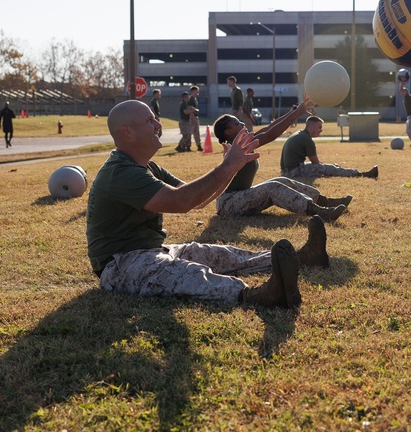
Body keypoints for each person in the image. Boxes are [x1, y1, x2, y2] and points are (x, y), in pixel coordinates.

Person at [86, 99, 326, 308]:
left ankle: (304, 257)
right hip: (119, 266)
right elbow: (182, 201)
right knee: (185, 274)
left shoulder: (146, 167)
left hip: (152, 251)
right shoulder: (119, 173)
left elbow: (196, 199)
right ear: (127, 132)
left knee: (220, 255)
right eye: (150, 121)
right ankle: (256, 296)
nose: (158, 125)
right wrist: (228, 166)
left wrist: (232, 166)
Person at [213, 95, 352, 229]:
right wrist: (297, 113)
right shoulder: (235, 149)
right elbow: (270, 135)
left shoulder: (242, 143)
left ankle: (324, 201)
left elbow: (268, 128)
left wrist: (295, 112)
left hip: (239, 198)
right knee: (272, 187)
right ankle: (318, 211)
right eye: (237, 123)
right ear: (228, 132)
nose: (242, 123)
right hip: (228, 204)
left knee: (282, 180)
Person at [280, 116, 378, 179]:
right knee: (331, 169)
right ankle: (361, 174)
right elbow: (316, 164)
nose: (321, 130)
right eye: (319, 127)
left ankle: (339, 169)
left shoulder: (300, 134)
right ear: (312, 127)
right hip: (293, 173)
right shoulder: (307, 140)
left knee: (330, 167)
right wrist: (329, 168)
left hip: (287, 171)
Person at [397, 69, 411, 148]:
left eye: (404, 91)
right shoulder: (407, 96)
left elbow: (401, 89)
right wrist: (402, 81)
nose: (402, 92)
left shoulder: (407, 95)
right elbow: (401, 90)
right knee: (408, 130)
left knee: (409, 130)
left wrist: (402, 82)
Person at [189, 85, 202, 151]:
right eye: (197, 91)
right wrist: (193, 118)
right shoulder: (191, 99)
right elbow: (191, 109)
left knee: (197, 132)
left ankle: (199, 145)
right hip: (193, 117)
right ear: (193, 91)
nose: (198, 92)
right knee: (191, 132)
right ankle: (186, 145)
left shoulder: (195, 99)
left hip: (195, 117)